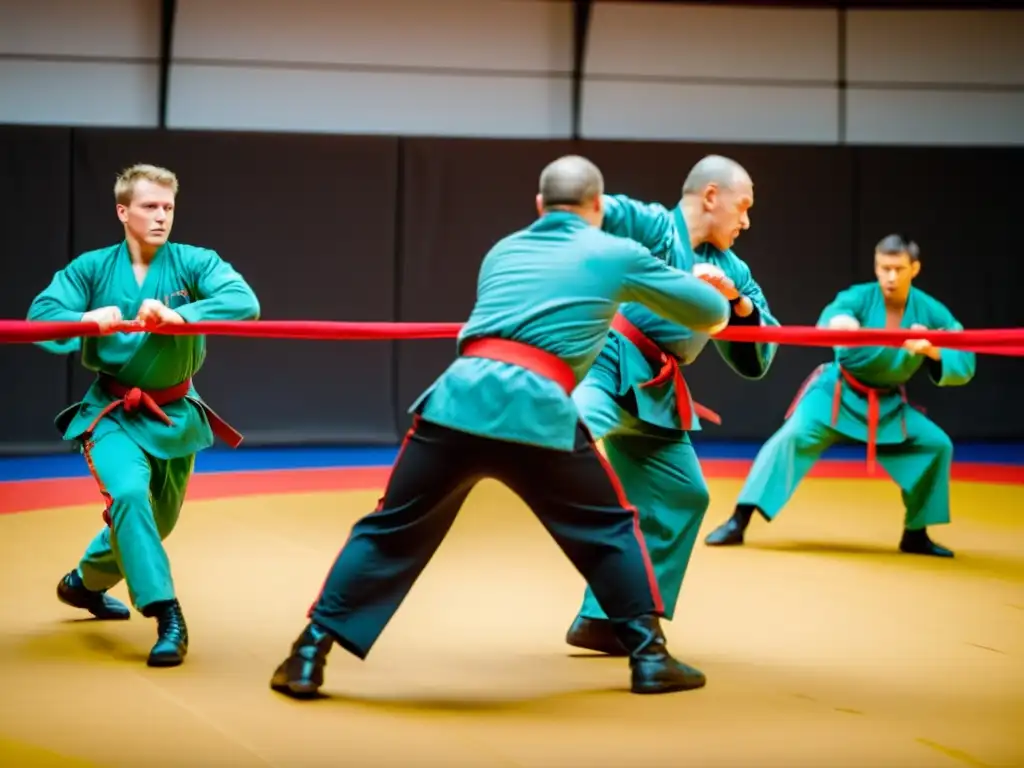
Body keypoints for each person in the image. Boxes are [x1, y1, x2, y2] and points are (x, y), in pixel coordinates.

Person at [270, 155, 733, 699]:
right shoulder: (616, 253)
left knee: (390, 529)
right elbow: (708, 315)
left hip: (454, 401)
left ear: (539, 205)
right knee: (609, 530)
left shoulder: (503, 250)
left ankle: (307, 654)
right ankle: (650, 658)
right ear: (599, 207)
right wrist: (711, 286)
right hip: (537, 410)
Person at [27, 163, 261, 666]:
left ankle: (83, 583)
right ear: (123, 211)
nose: (161, 216)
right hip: (111, 412)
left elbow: (244, 302)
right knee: (131, 496)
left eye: (168, 207)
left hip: (174, 414)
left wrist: (183, 316)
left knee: (157, 520)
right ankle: (165, 612)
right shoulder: (91, 268)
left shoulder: (195, 262)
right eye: (150, 206)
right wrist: (85, 320)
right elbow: (41, 319)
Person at [564, 155, 779, 658]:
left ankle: (604, 618)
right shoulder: (656, 229)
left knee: (684, 494)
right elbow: (601, 210)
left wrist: (737, 304)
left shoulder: (733, 269)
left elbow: (760, 340)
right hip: (606, 362)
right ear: (710, 196)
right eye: (742, 207)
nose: (746, 221)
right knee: (562, 431)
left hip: (657, 394)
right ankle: (477, 447)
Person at [704, 234, 975, 557]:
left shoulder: (930, 311)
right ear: (875, 266)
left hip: (886, 404)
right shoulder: (860, 297)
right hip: (836, 394)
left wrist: (932, 350)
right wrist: (841, 325)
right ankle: (739, 520)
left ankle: (916, 533)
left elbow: (963, 352)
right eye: (883, 268)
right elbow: (835, 315)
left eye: (898, 269)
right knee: (787, 440)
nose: (890, 277)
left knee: (935, 444)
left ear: (914, 268)